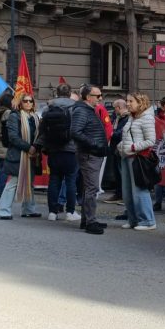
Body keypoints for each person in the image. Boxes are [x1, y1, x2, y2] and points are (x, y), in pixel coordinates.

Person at [35, 84, 80, 222]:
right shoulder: (76, 107)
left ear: (57, 93)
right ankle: (70, 212)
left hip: (53, 149)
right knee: (71, 181)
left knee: (54, 181)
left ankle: (52, 212)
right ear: (69, 93)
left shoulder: (49, 107)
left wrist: (38, 146)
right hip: (71, 150)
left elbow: (42, 130)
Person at [0, 94, 41, 220]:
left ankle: (28, 209)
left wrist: (36, 147)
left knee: (29, 182)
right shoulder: (14, 116)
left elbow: (38, 135)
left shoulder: (35, 117)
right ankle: (2, 210)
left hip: (32, 155)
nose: (28, 103)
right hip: (17, 154)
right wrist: (29, 148)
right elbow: (13, 137)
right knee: (14, 182)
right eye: (25, 101)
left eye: (30, 101)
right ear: (20, 103)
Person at [71, 84, 109, 235]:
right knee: (92, 188)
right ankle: (90, 222)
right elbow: (75, 132)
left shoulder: (87, 110)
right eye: (98, 95)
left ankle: (87, 220)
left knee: (89, 188)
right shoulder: (81, 110)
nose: (100, 98)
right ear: (88, 97)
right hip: (89, 154)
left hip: (92, 153)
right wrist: (94, 144)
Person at [117, 92, 158, 231]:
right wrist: (122, 146)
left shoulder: (146, 118)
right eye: (127, 101)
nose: (127, 104)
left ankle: (147, 220)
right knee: (128, 191)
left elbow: (151, 140)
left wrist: (132, 147)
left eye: (130, 101)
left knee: (139, 190)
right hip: (127, 156)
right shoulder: (131, 117)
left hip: (137, 158)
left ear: (140, 103)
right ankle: (133, 219)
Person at [103, 98, 129, 204]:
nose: (114, 110)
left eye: (115, 108)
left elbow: (122, 132)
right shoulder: (118, 117)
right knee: (117, 173)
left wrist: (112, 133)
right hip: (115, 148)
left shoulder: (126, 118)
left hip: (121, 148)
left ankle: (123, 195)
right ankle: (118, 194)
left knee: (121, 173)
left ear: (118, 107)